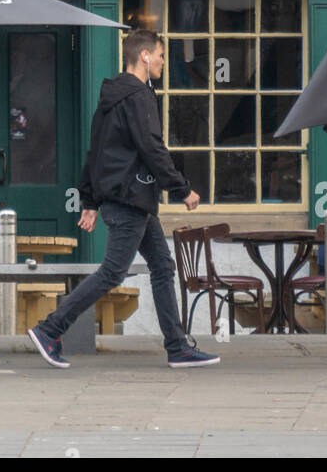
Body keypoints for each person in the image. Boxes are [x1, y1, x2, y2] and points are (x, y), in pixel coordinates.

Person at [27, 27, 218, 370]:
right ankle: (49, 329)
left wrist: (89, 200)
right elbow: (152, 148)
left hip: (133, 200)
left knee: (162, 266)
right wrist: (181, 188)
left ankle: (177, 346)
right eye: (160, 55)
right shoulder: (137, 96)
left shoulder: (113, 96)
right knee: (113, 273)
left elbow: (95, 151)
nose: (162, 61)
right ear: (145, 56)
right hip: (130, 199)